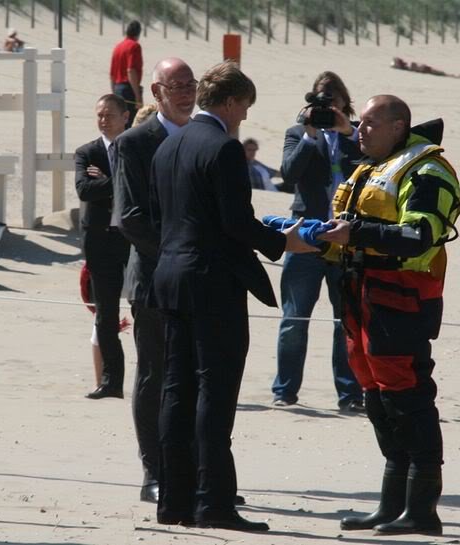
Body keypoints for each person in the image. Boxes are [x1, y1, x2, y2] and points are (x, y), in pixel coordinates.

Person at [149, 60, 316, 532]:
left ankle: (174, 500)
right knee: (214, 391)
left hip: (170, 274)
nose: (243, 116)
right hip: (210, 281)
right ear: (228, 102)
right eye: (243, 107)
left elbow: (169, 217)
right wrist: (287, 241)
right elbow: (236, 223)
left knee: (176, 389)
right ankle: (213, 501)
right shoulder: (222, 148)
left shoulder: (168, 145)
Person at [319, 96, 460, 536]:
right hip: (360, 298)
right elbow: (348, 231)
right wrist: (310, 237)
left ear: (399, 127)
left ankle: (422, 510)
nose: (361, 129)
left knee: (408, 398)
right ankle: (391, 503)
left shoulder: (427, 171)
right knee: (377, 399)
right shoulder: (369, 168)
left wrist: (355, 233)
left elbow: (420, 234)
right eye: (360, 122)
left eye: (371, 123)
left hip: (402, 300)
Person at [112, 57, 197, 504]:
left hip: (202, 281)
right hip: (155, 279)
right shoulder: (134, 143)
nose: (185, 92)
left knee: (196, 377)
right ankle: (154, 471)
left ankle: (196, 469)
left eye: (191, 84)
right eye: (175, 85)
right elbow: (129, 218)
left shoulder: (209, 135)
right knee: (155, 375)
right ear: (157, 92)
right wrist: (176, 255)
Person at [271, 71, 364, 411]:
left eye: (335, 103)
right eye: (322, 103)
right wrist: (311, 134)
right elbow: (289, 173)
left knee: (347, 322)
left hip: (346, 238)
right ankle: (284, 391)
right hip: (306, 236)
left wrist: (348, 132)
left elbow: (376, 165)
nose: (328, 110)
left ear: (345, 104)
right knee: (294, 319)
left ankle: (351, 394)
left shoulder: (360, 136)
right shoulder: (297, 133)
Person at [75, 94, 131, 400]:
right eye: (99, 114)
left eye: (109, 114)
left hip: (133, 239)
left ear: (125, 116)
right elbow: (85, 189)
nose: (103, 119)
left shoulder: (137, 149)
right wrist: (120, 180)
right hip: (99, 241)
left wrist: (108, 180)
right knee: (106, 314)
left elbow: (145, 187)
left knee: (146, 310)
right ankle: (111, 381)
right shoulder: (87, 152)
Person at [109, 20, 144, 129]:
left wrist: (113, 92)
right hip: (129, 89)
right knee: (131, 124)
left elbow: (112, 75)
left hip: (117, 88)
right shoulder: (134, 46)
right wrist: (138, 96)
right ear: (138, 33)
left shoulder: (118, 47)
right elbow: (131, 71)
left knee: (120, 123)